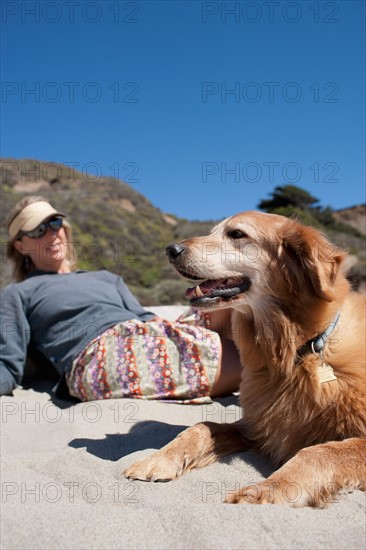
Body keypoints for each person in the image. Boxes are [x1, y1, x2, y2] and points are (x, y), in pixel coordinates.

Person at [0, 196, 242, 403]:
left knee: (234, 304)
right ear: (21, 246)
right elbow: (9, 363)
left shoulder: (107, 278)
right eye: (37, 230)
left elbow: (147, 317)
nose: (51, 233)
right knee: (244, 360)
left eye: (54, 223)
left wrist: (181, 329)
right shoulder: (19, 293)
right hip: (96, 352)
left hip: (147, 332)